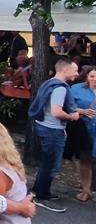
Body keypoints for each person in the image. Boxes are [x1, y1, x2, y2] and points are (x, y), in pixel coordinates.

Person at [29, 57, 80, 212]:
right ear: (65, 70)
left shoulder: (48, 83)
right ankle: (41, 196)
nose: (77, 74)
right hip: (52, 131)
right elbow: (56, 111)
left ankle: (38, 190)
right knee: (51, 164)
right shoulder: (61, 88)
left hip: (45, 126)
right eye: (75, 70)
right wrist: (73, 117)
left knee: (46, 162)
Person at [69, 66, 96, 202]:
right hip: (84, 130)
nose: (95, 80)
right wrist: (82, 111)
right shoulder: (76, 89)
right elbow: (68, 106)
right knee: (85, 160)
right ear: (87, 77)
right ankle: (86, 190)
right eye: (92, 76)